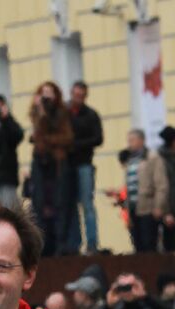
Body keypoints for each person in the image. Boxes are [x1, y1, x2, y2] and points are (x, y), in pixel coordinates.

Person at [29, 81, 75, 257]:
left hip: (57, 164)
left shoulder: (62, 113)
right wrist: (40, 112)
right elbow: (38, 136)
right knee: (39, 204)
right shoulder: (36, 113)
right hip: (40, 164)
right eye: (43, 94)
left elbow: (66, 137)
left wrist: (46, 139)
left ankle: (60, 244)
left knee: (60, 204)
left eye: (50, 94)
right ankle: (43, 245)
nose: (47, 98)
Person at [116, 130, 168, 252]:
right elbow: (129, 184)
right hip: (133, 207)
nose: (129, 144)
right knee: (137, 243)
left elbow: (161, 184)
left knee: (149, 243)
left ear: (141, 141)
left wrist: (159, 206)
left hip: (148, 207)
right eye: (128, 141)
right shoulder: (130, 160)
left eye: (132, 140)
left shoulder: (152, 158)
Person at [67, 81, 103, 254]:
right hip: (67, 165)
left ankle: (92, 242)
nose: (78, 98)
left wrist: (76, 144)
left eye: (81, 95)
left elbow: (98, 138)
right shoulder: (64, 113)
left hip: (84, 164)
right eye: (76, 95)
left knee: (87, 203)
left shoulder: (91, 115)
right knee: (71, 204)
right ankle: (75, 242)